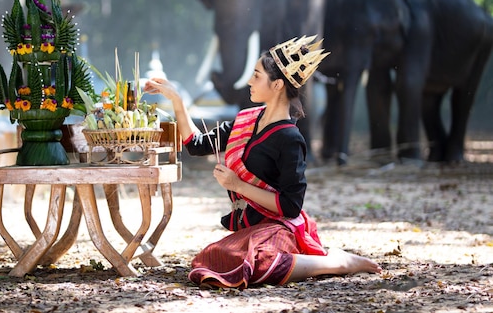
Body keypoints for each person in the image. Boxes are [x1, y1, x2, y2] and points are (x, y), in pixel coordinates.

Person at [144, 36, 381, 289]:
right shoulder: (246, 119)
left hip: (280, 227)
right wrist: (177, 100)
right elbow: (197, 144)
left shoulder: (290, 138)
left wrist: (239, 185)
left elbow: (290, 206)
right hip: (255, 227)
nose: (249, 81)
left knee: (262, 263)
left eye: (256, 75)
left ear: (277, 84)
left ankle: (338, 262)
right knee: (210, 259)